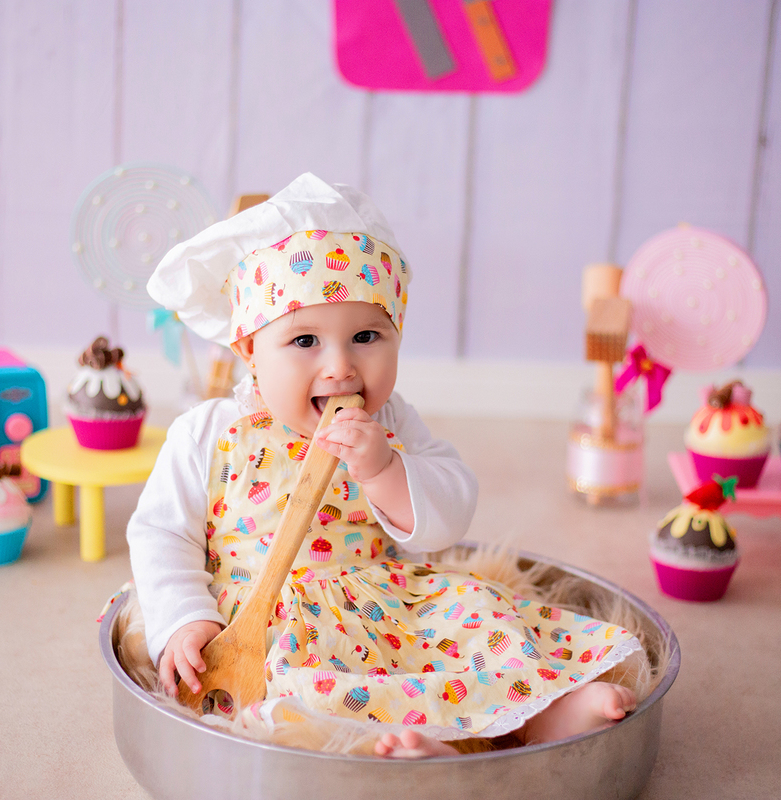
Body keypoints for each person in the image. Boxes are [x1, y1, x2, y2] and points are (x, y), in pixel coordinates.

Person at [128, 173, 641, 758]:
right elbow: (161, 531)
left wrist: (385, 471)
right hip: (263, 619)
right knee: (303, 692)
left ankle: (541, 713)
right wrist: (185, 619)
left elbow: (450, 512)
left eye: (367, 336)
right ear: (248, 347)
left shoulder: (392, 421)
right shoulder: (210, 430)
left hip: (387, 607)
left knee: (477, 619)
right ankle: (411, 750)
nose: (341, 367)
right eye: (304, 342)